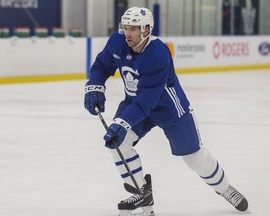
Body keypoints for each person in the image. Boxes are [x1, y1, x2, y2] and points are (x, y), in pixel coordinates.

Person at [84, 6, 249, 216]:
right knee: (117, 144)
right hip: (135, 104)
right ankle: (141, 191)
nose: (128, 33)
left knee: (194, 158)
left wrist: (122, 123)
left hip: (170, 110)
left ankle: (225, 189)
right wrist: (95, 85)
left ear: (146, 30)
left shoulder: (157, 54)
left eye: (134, 28)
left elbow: (147, 99)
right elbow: (101, 65)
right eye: (126, 27)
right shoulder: (117, 42)